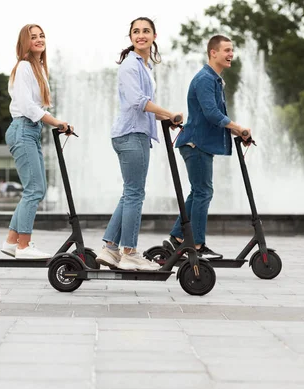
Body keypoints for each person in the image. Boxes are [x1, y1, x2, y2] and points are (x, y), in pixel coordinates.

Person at [96, 17, 183, 271]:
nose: (141, 35)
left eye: (146, 31)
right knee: (135, 193)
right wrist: (167, 112)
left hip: (134, 133)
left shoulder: (144, 66)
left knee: (129, 193)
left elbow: (144, 106)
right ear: (131, 37)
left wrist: (167, 117)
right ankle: (130, 252)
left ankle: (110, 248)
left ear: (154, 36)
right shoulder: (130, 65)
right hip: (131, 135)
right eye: (136, 31)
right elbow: (138, 101)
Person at [167, 35, 251, 258]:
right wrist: (238, 127)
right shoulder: (205, 78)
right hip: (196, 143)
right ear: (213, 53)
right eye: (226, 50)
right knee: (204, 192)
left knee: (198, 192)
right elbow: (212, 114)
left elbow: (216, 115)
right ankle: (196, 245)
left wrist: (237, 132)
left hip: (198, 144)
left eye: (232, 50)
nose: (231, 54)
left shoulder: (213, 79)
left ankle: (177, 237)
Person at [0, 24, 74, 260]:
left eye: (42, 35)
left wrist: (54, 122)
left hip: (30, 130)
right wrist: (56, 121)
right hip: (23, 128)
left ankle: (12, 242)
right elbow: (27, 106)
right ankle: (24, 245)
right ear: (25, 42)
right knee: (35, 190)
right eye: (33, 37)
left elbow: (36, 106)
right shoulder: (23, 67)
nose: (39, 39)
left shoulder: (38, 68)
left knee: (35, 189)